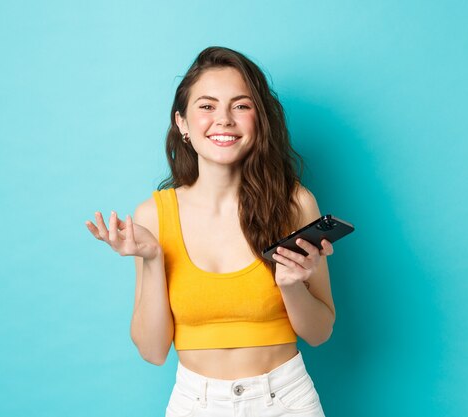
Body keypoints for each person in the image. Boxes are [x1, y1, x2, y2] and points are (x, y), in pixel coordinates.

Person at [85, 46, 335, 417]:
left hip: (286, 400)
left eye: (241, 105)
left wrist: (290, 284)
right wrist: (153, 259)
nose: (224, 119)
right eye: (206, 106)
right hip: (195, 403)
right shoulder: (153, 215)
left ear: (259, 120)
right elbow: (153, 352)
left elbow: (319, 332)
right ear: (182, 123)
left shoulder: (295, 204)